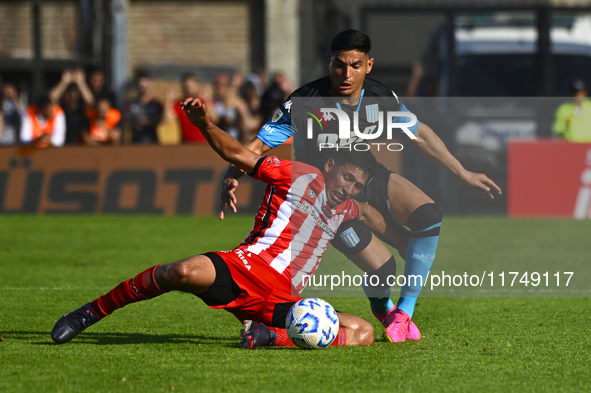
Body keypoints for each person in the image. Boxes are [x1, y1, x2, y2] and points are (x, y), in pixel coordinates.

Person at [220, 29, 502, 343]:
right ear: (329, 62)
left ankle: (403, 314)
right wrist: (233, 175)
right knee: (383, 269)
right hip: (327, 195)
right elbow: (258, 145)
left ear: (368, 65)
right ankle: (376, 312)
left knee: (428, 215)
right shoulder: (303, 101)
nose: (346, 74)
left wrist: (464, 173)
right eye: (339, 65)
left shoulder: (380, 96)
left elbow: (420, 135)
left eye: (355, 65)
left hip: (367, 176)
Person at [51, 97, 399, 348]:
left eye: (357, 185)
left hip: (285, 301)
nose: (349, 188)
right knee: (181, 272)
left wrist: (413, 239)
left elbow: (373, 217)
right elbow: (238, 154)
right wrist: (204, 124)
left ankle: (266, 336)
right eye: (347, 178)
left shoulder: (348, 206)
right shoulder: (299, 174)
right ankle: (90, 313)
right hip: (244, 268)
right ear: (330, 165)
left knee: (363, 333)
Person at [163, 73, 209, 143]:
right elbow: (167, 118)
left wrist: (207, 99)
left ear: (197, 86)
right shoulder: (180, 104)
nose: (189, 90)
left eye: (191, 87)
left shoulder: (203, 101)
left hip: (203, 143)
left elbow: (215, 118)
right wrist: (169, 100)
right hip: (186, 143)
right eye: (187, 87)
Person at [123, 73, 163, 144]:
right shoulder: (130, 103)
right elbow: (126, 122)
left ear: (150, 85)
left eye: (145, 86)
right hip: (135, 142)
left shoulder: (156, 104)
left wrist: (146, 122)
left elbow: (161, 120)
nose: (143, 88)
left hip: (152, 142)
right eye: (141, 86)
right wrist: (135, 123)